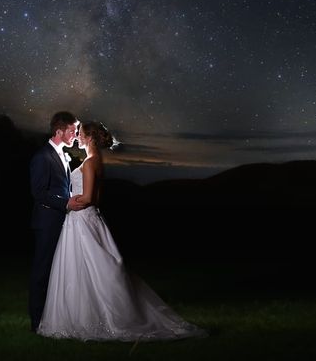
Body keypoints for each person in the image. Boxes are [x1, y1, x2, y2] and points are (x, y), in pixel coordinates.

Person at [37, 120, 207, 342]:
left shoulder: (89, 163)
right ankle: (88, 315)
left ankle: (90, 319)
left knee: (86, 268)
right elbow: (97, 199)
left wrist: (69, 201)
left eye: (80, 134)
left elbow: (89, 198)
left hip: (81, 219)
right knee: (90, 268)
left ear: (89, 138)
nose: (77, 136)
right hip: (90, 218)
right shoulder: (98, 162)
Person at [28, 111, 86, 332]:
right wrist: (66, 204)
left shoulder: (63, 154)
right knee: (42, 271)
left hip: (63, 221)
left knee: (58, 271)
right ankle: (37, 322)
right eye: (72, 130)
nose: (75, 134)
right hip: (47, 222)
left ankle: (54, 318)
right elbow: (39, 192)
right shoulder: (42, 157)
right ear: (59, 131)